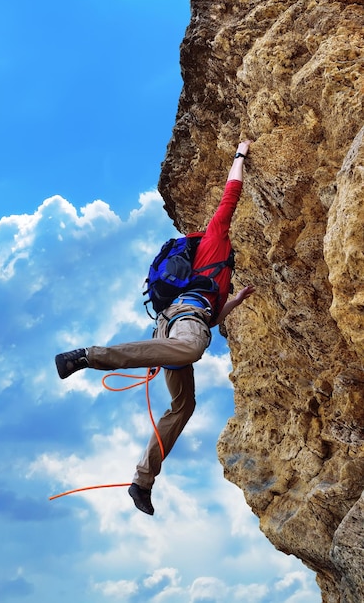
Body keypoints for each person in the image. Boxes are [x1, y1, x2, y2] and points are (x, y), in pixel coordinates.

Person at [54, 140, 255, 515]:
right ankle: (86, 356)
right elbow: (231, 196)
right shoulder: (215, 239)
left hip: (174, 328)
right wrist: (240, 155)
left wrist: (235, 302)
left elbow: (209, 316)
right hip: (182, 328)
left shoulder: (213, 277)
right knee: (193, 350)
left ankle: (141, 483)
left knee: (184, 405)